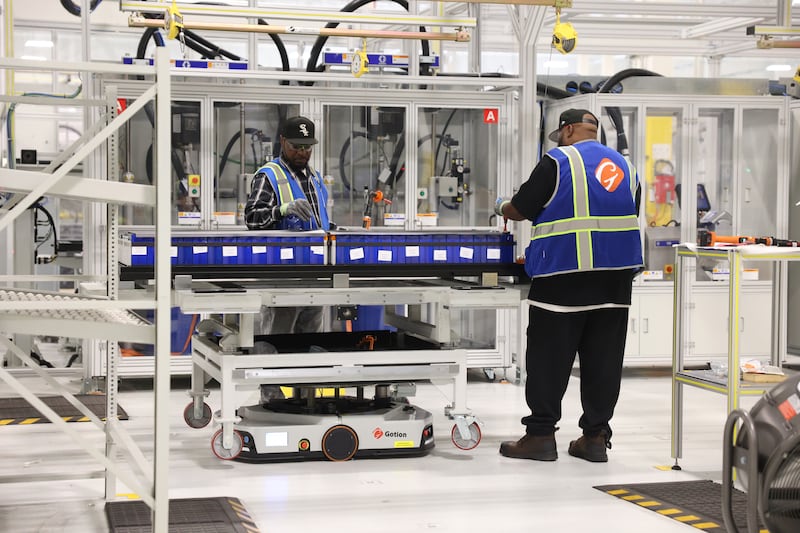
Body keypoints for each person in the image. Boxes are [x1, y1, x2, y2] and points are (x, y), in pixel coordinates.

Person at [494, 108, 643, 463]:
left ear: (569, 129)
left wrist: (501, 205)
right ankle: (594, 438)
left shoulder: (558, 161)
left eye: (560, 132)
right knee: (603, 363)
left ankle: (541, 436)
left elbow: (523, 208)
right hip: (616, 282)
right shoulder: (627, 168)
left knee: (549, 359)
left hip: (564, 275)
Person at [244, 116, 333, 400]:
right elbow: (252, 219)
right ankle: (270, 393)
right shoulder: (268, 175)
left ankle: (303, 394)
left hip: (314, 272)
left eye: (308, 147)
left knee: (309, 337)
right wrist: (282, 210)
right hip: (281, 275)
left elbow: (321, 221)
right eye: (297, 147)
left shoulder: (315, 177)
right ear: (283, 141)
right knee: (277, 335)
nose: (303, 153)